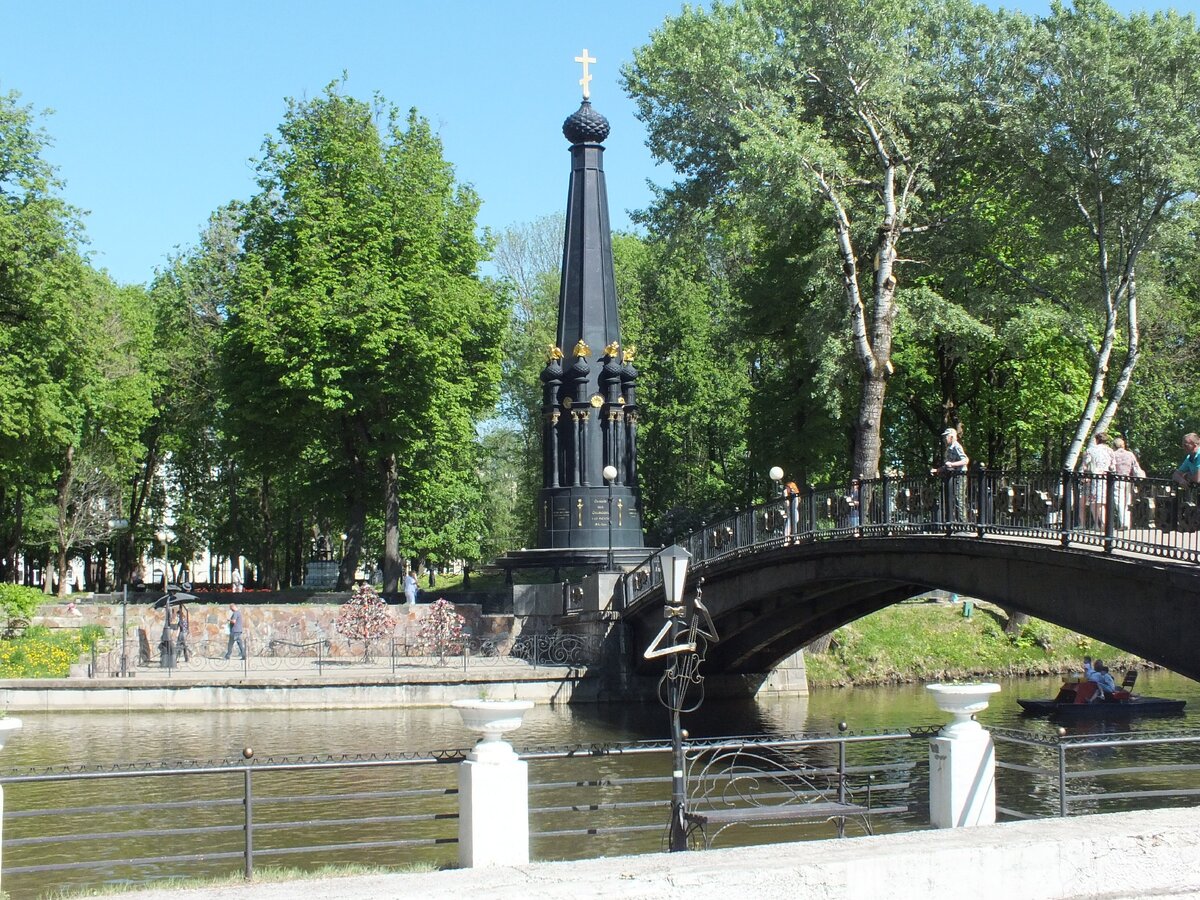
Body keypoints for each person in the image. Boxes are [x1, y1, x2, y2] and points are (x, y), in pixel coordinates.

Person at [932, 427, 969, 522]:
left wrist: (952, 464)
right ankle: (953, 523)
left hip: (959, 476)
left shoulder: (957, 446)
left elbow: (965, 460)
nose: (944, 439)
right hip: (952, 477)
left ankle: (963, 525)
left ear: (951, 437)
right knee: (951, 499)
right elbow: (947, 465)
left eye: (946, 437)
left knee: (958, 499)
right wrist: (937, 470)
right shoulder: (949, 448)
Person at [1110, 436, 1145, 530]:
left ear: (1114, 445)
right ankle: (1127, 523)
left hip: (1117, 480)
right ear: (1123, 445)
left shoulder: (1113, 454)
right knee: (1127, 503)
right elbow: (1136, 467)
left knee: (1119, 502)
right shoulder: (1130, 454)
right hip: (1128, 480)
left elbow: (1111, 468)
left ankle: (1123, 523)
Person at [1082, 432, 1115, 529]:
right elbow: (1113, 466)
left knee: (1094, 502)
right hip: (1107, 478)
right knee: (1102, 502)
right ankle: (1099, 524)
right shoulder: (1110, 451)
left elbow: (1085, 465)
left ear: (1096, 440)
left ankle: (1102, 524)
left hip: (1095, 478)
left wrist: (1085, 475)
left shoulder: (1090, 450)